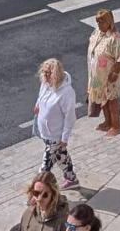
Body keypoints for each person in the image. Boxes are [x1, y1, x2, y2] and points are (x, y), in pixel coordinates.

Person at [32, 58, 80, 189]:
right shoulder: (46, 83)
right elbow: (41, 95)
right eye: (44, 72)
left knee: (45, 165)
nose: (45, 76)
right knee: (61, 155)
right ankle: (71, 178)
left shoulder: (67, 93)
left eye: (48, 73)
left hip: (55, 135)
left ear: (56, 74)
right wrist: (37, 105)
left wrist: (64, 138)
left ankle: (37, 189)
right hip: (45, 132)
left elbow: (70, 117)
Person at [87, 9, 120, 136]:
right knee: (102, 98)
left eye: (102, 22)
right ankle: (107, 122)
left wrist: (114, 74)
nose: (99, 24)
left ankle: (116, 125)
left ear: (109, 22)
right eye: (97, 22)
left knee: (112, 99)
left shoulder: (115, 38)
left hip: (110, 75)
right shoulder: (97, 32)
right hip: (98, 74)